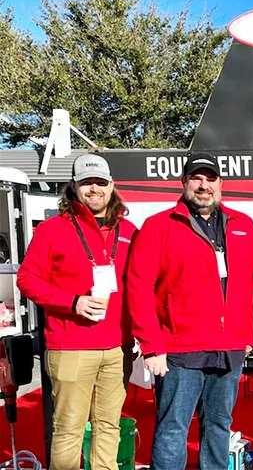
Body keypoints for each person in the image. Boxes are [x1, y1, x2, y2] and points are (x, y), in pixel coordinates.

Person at [125, 153, 253, 470]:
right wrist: (151, 345)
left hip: (228, 348)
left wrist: (248, 332)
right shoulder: (159, 226)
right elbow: (138, 286)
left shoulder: (243, 225)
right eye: (196, 178)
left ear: (220, 183)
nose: (204, 185)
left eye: (210, 178)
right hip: (179, 350)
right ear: (184, 182)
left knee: (218, 426)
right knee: (173, 428)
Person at [17, 153, 137, 470]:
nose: (94, 189)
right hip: (71, 347)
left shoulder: (128, 230)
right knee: (69, 430)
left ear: (111, 186)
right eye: (86, 183)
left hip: (118, 347)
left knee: (109, 427)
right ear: (73, 186)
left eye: (100, 182)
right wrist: (73, 302)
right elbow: (27, 280)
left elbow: (142, 284)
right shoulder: (52, 229)